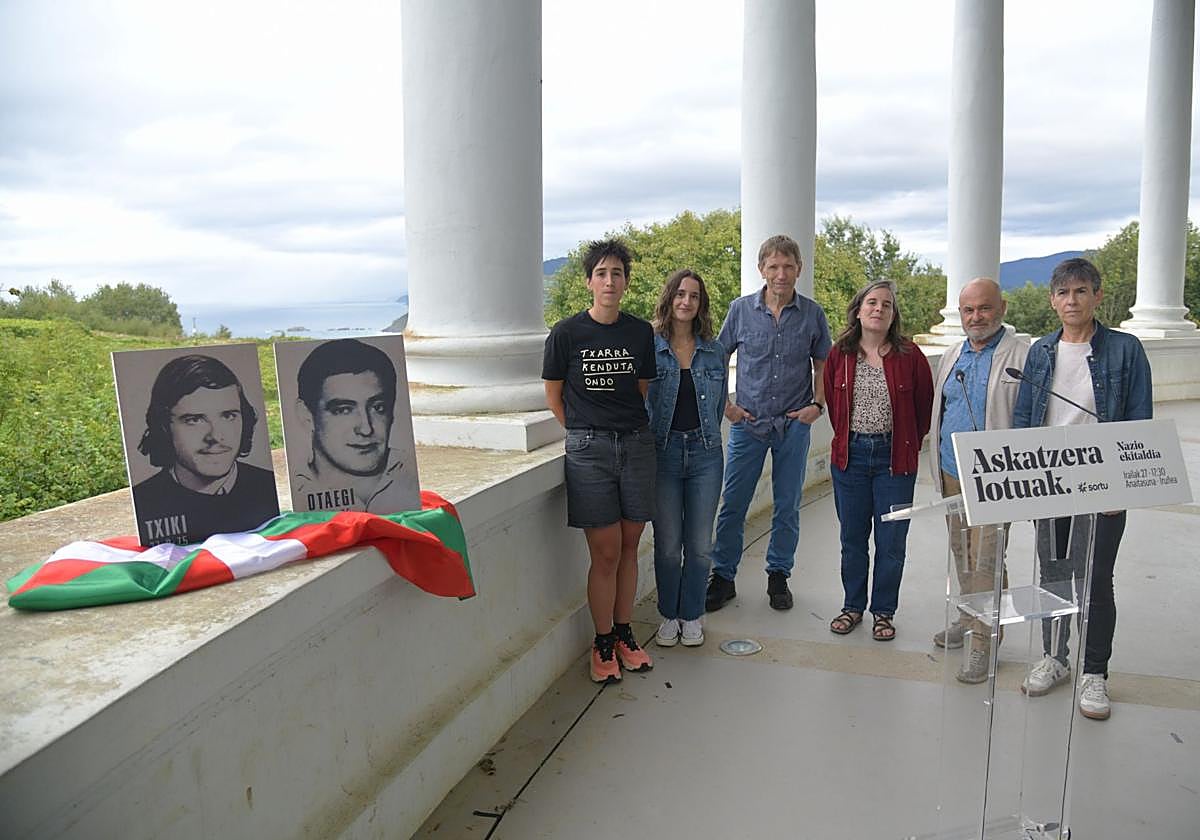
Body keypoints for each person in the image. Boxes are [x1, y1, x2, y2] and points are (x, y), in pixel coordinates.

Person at [1013, 257, 1152, 721]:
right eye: (1063, 293)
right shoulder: (1040, 351)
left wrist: (1122, 487)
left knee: (1095, 579)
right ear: (1052, 301)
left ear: (1097, 295)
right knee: (1053, 575)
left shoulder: (1125, 349)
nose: (1071, 301)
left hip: (1102, 479)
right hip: (1050, 479)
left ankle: (1095, 672)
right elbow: (1024, 417)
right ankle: (1054, 658)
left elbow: (1139, 420)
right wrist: (1024, 483)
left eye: (1080, 291)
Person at [543, 239, 658, 683]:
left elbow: (640, 389)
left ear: (626, 283)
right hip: (589, 451)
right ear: (589, 282)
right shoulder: (566, 334)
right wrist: (584, 431)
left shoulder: (639, 333)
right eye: (602, 273)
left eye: (617, 274)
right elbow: (554, 395)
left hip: (636, 444)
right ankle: (603, 639)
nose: (610, 281)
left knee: (631, 544)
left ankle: (625, 633)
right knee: (605, 551)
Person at [706, 234, 832, 612]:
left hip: (793, 425)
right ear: (761, 269)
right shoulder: (740, 310)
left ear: (799, 269)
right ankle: (723, 576)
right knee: (733, 503)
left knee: (787, 504)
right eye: (773, 266)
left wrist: (817, 405)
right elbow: (716, 357)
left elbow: (823, 363)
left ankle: (779, 575)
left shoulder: (812, 314)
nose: (781, 274)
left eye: (788, 266)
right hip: (748, 424)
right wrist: (726, 407)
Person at [929, 277, 1028, 682]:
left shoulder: (1023, 355)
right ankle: (969, 617)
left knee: (987, 559)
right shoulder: (953, 353)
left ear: (1002, 308)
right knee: (962, 553)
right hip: (951, 470)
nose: (976, 317)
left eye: (984, 308)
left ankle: (985, 642)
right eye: (968, 310)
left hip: (994, 477)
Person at [823, 281, 932, 641]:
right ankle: (852, 606)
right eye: (872, 302)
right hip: (850, 459)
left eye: (886, 304)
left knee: (891, 542)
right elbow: (834, 406)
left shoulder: (910, 356)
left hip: (894, 461)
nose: (878, 309)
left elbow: (923, 408)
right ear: (858, 311)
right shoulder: (840, 354)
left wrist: (905, 445)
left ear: (893, 314)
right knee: (852, 539)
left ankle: (883, 612)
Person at [646, 269, 727, 648]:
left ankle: (691, 614)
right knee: (667, 544)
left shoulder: (714, 350)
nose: (686, 301)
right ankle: (668, 613)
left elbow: (719, 404)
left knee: (698, 544)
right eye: (680, 294)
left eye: (694, 296)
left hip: (705, 453)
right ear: (669, 298)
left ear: (701, 303)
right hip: (662, 453)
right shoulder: (650, 346)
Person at [132, 354, 279, 546]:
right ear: (163, 427)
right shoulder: (145, 501)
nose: (216, 436)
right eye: (194, 420)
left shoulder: (266, 489)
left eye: (228, 416)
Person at [291, 338, 416, 514]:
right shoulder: (297, 491)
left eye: (378, 407)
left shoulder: (410, 474)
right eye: (343, 410)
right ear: (306, 414)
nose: (366, 429)